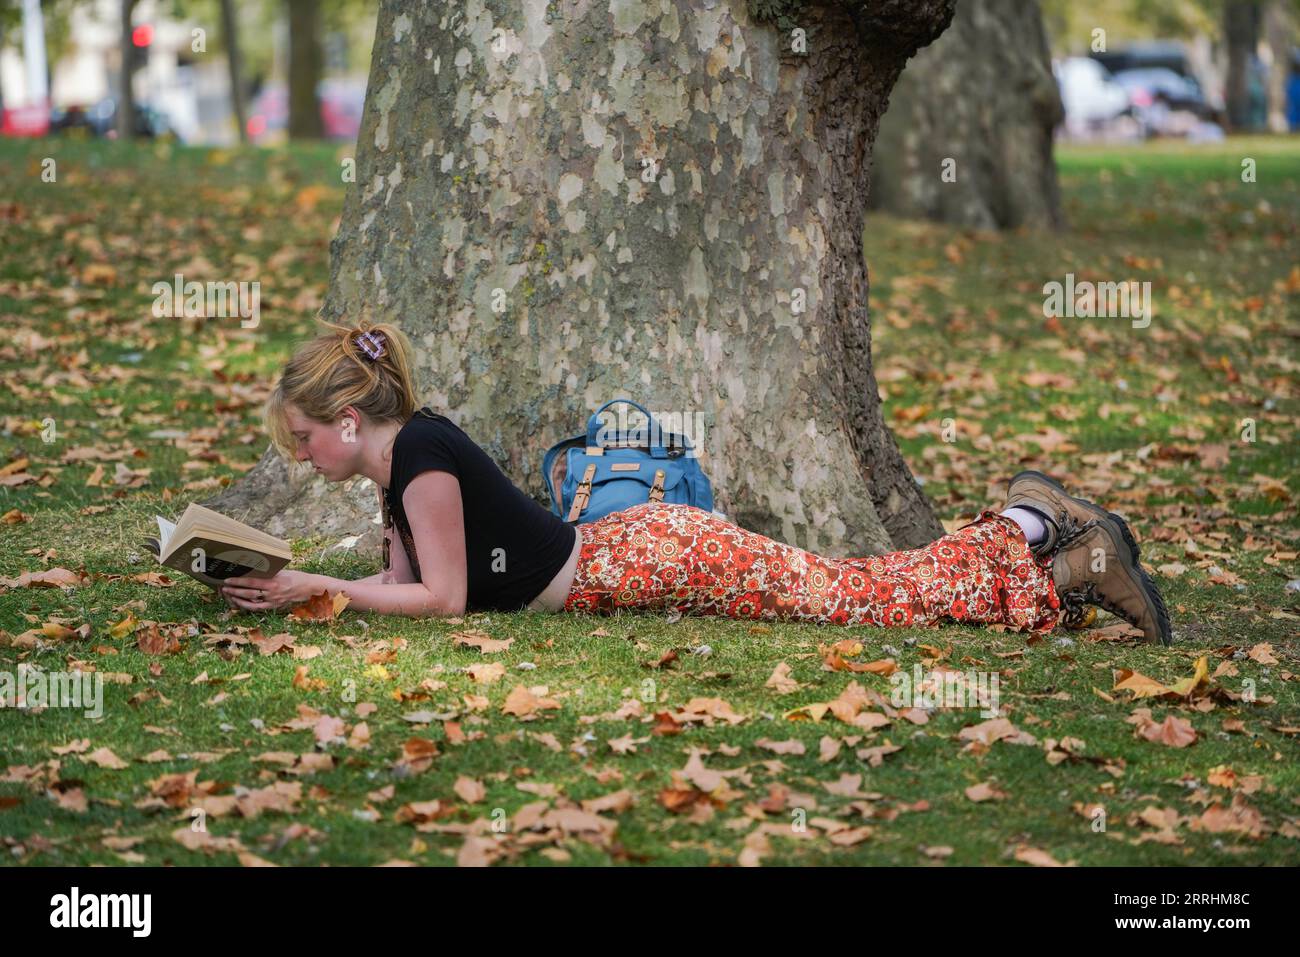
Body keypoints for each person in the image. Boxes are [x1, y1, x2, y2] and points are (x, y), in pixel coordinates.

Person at [220, 321, 1172, 645]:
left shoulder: (422, 456)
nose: (299, 455)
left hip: (655, 552)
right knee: (855, 591)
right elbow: (398, 587)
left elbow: (444, 600)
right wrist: (296, 586)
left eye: (303, 438)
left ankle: (1032, 528)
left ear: (349, 420)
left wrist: (320, 590)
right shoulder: (396, 468)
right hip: (634, 553)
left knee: (855, 596)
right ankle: (1062, 560)